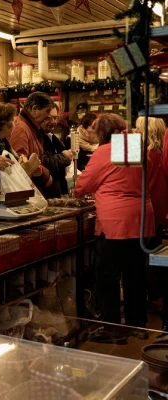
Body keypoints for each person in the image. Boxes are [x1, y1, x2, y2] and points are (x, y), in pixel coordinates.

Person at [74, 114, 155, 330]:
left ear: (102, 132)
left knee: (108, 274)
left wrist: (77, 193)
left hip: (115, 222)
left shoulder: (104, 151)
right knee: (135, 274)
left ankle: (112, 329)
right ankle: (137, 326)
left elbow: (84, 185)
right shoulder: (133, 147)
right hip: (141, 219)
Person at [136, 117, 168, 331]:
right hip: (160, 205)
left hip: (147, 208)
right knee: (155, 251)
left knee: (145, 256)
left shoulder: (145, 154)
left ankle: (154, 297)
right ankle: (159, 297)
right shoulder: (159, 152)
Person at [9, 91, 55, 193]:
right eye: (47, 111)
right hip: (25, 191)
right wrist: (45, 174)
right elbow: (19, 163)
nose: (48, 116)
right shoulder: (21, 129)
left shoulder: (30, 128)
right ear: (34, 109)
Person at [41, 104, 72, 198]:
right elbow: (43, 161)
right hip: (44, 193)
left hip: (55, 192)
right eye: (48, 118)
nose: (53, 122)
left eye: (55, 118)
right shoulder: (37, 138)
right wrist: (64, 157)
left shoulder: (51, 136)